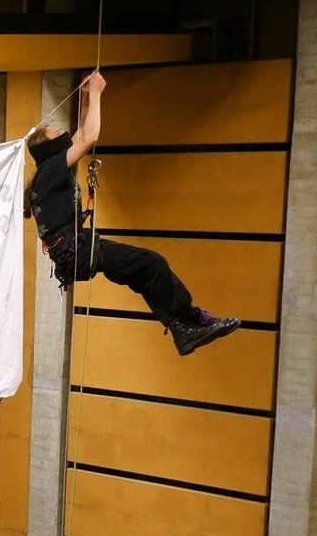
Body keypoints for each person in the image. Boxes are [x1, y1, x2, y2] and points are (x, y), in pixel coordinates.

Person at [28, 71, 240, 356]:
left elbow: (80, 132)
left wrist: (90, 96)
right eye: (55, 132)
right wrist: (100, 94)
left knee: (143, 271)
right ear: (48, 147)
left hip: (76, 252)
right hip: (78, 251)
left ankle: (184, 326)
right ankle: (188, 322)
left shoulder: (49, 172)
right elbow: (89, 136)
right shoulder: (50, 170)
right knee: (152, 263)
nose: (61, 132)